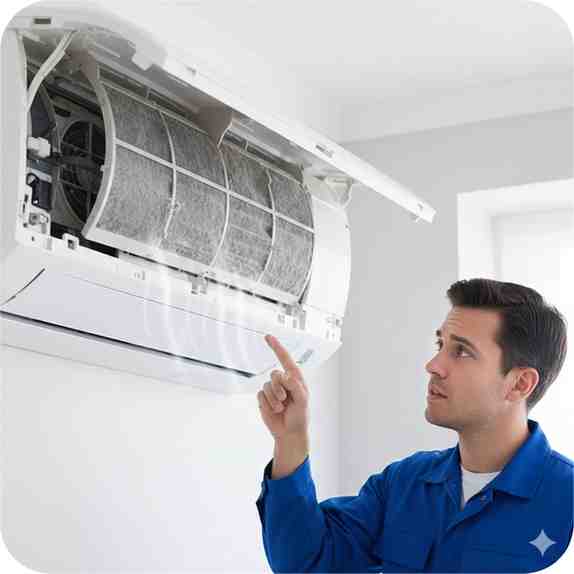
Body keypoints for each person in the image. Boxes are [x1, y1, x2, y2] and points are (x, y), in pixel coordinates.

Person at [255, 278, 573, 573]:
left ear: (519, 384)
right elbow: (307, 562)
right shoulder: (403, 484)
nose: (433, 365)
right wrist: (291, 439)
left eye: (462, 351)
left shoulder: (566, 497)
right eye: (440, 345)